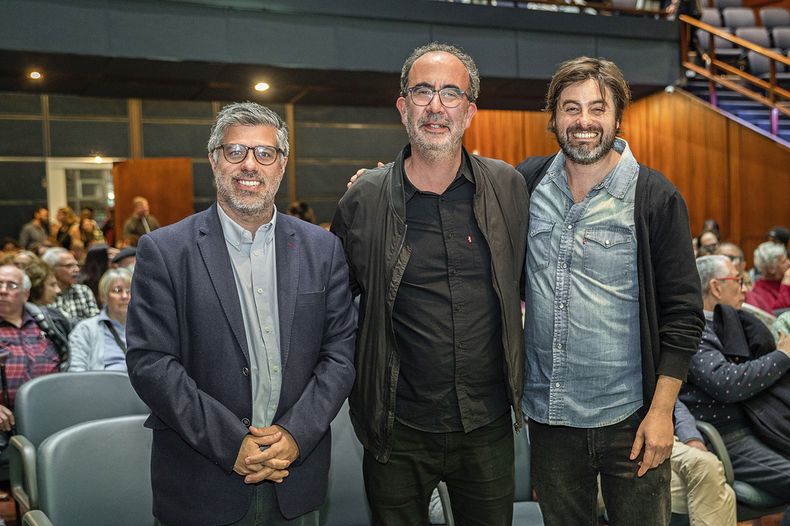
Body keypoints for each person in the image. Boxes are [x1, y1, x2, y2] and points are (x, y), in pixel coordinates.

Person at [126, 102, 356, 526]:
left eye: (264, 153)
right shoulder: (164, 250)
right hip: (201, 484)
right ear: (214, 160)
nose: (250, 165)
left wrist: (294, 435)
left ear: (282, 164)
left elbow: (341, 353)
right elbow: (151, 363)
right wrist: (233, 444)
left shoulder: (322, 248)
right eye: (236, 152)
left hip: (295, 478)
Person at [332, 42, 529, 525]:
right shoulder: (365, 198)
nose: (436, 106)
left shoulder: (508, 187)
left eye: (450, 94)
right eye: (422, 92)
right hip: (397, 428)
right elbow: (336, 309)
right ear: (403, 107)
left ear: (470, 111)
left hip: (487, 423)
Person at [515, 57, 704, 525]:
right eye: (571, 108)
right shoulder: (525, 184)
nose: (583, 122)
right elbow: (459, 194)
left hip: (631, 419)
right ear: (553, 116)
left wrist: (662, 413)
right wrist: (384, 180)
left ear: (618, 117)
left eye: (597, 109)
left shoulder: (655, 197)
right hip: (550, 417)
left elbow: (684, 315)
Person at [680, 255, 790, 504]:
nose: (745, 289)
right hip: (729, 435)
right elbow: (727, 383)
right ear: (716, 287)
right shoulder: (692, 329)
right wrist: (783, 355)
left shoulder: (738, 321)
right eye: (738, 281)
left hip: (761, 423)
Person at [0, 265, 65, 441]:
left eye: (11, 285)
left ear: (26, 293)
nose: (3, 291)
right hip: (5, 422)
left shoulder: (49, 321)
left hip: (52, 413)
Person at [670, 399, 736, 526]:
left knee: (706, 464)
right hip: (627, 442)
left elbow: (673, 404)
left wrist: (691, 437)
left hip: (662, 437)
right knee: (725, 495)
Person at [68, 268, 132, 372]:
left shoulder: (147, 327)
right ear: (104, 297)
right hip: (102, 385)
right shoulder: (86, 329)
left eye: (129, 291)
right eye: (117, 290)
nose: (125, 296)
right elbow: (76, 372)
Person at [41, 247, 99, 322]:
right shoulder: (44, 294)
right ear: (52, 268)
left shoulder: (83, 291)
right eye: (69, 266)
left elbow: (95, 323)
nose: (77, 269)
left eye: (76, 265)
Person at [745, 241, 790, 313]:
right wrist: (786, 286)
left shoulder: (784, 278)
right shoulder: (760, 292)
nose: (789, 262)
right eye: (783, 261)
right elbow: (777, 316)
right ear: (771, 269)